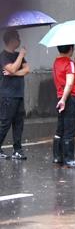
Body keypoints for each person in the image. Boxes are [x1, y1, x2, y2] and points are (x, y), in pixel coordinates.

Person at [52, 44, 75, 168]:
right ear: (70, 49)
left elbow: (67, 79)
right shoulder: (68, 63)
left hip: (61, 97)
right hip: (70, 99)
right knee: (70, 130)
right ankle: (69, 160)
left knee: (60, 129)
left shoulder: (56, 62)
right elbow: (70, 84)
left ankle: (57, 158)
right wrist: (65, 100)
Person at [0, 30, 29, 160]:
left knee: (19, 123)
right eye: (17, 37)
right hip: (8, 95)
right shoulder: (3, 55)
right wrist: (21, 55)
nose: (19, 40)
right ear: (11, 39)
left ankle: (18, 150)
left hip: (19, 94)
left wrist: (14, 73)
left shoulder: (19, 56)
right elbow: (11, 68)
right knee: (5, 123)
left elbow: (27, 70)